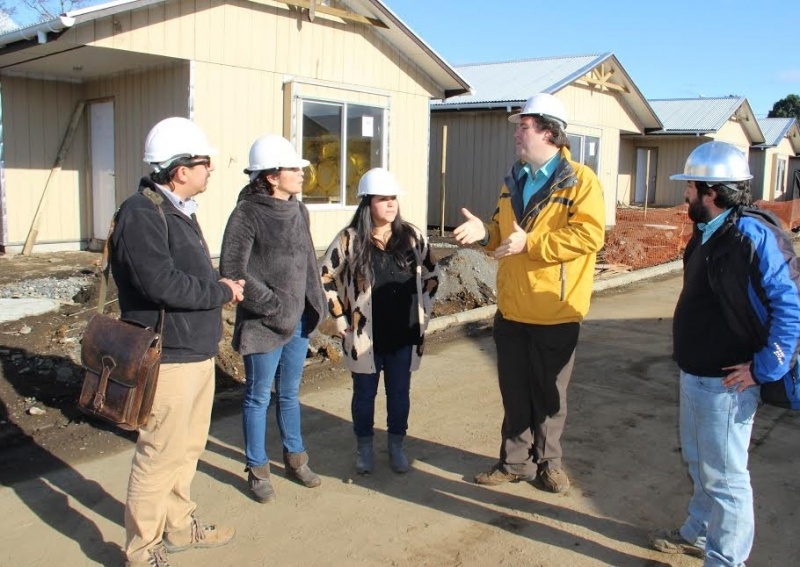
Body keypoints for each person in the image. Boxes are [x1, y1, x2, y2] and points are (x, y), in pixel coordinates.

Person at [648, 141, 800, 566]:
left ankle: (725, 560)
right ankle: (697, 533)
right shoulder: (707, 231)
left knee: (727, 479)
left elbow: (790, 304)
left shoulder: (750, 234)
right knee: (701, 465)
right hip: (696, 373)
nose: (685, 195)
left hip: (727, 384)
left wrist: (765, 368)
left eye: (690, 187)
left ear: (710, 192)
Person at [452, 93, 605, 493]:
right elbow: (504, 236)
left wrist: (531, 244)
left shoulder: (580, 180)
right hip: (513, 310)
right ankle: (514, 462)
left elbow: (590, 235)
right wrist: (484, 234)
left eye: (524, 126)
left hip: (556, 310)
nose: (517, 134)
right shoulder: (514, 179)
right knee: (515, 393)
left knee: (551, 397)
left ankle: (550, 463)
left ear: (549, 132)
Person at [113, 117, 244, 567]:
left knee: (186, 450)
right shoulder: (141, 212)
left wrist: (214, 285)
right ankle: (141, 550)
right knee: (157, 455)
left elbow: (183, 277)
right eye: (205, 163)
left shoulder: (176, 211)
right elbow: (160, 283)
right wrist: (221, 291)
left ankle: (178, 526)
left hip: (194, 353)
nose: (211, 170)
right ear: (181, 169)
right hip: (166, 357)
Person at [219, 135, 325, 503]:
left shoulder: (299, 209)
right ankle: (257, 469)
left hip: (297, 322)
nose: (301, 173)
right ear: (271, 176)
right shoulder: (247, 213)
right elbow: (233, 270)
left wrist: (317, 302)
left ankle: (296, 459)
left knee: (290, 394)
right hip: (264, 324)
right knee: (258, 396)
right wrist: (274, 307)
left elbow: (308, 261)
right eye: (293, 168)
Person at [320, 167, 439, 474]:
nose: (390, 204)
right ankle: (364, 448)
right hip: (365, 338)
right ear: (368, 203)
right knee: (364, 395)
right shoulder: (350, 240)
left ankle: (397, 446)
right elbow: (324, 277)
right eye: (383, 199)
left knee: (400, 393)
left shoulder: (412, 237)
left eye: (393, 198)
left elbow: (433, 274)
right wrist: (341, 319)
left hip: (404, 334)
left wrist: (423, 310)